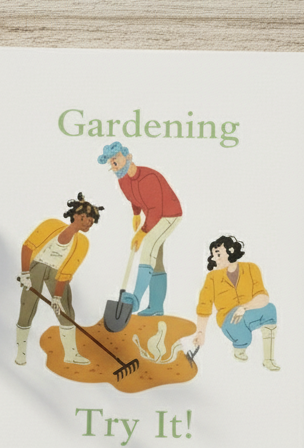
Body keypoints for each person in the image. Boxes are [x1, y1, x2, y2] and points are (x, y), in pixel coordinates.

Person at [16, 193, 103, 367]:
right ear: (79, 216)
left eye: (92, 223)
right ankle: (21, 353)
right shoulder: (51, 225)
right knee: (27, 308)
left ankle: (71, 354)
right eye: (89, 221)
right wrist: (25, 274)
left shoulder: (82, 243)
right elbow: (28, 246)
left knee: (66, 311)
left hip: (57, 275)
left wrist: (56, 298)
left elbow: (66, 272)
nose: (90, 225)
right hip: (36, 267)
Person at [96, 142, 182, 316]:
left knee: (149, 244)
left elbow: (156, 209)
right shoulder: (123, 181)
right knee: (155, 258)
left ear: (128, 156)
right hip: (154, 215)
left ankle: (135, 300)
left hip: (169, 214)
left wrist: (143, 232)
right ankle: (156, 307)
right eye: (110, 162)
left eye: (116, 157)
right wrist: (136, 214)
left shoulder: (147, 178)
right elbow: (134, 199)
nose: (113, 162)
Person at [193, 235, 279, 370]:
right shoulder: (212, 278)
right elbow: (204, 306)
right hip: (229, 320)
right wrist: (200, 333)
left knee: (270, 309)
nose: (215, 258)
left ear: (231, 250)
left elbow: (263, 296)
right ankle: (240, 346)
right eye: (213, 255)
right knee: (244, 338)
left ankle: (268, 360)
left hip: (249, 312)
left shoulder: (251, 268)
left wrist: (244, 307)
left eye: (218, 253)